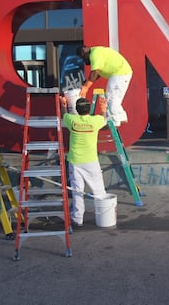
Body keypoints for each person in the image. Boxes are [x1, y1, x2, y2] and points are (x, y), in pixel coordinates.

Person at [60, 95, 108, 228]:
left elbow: (64, 115)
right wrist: (103, 108)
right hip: (91, 161)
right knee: (98, 190)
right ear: (89, 109)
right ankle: (104, 216)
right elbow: (104, 118)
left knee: (77, 191)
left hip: (75, 161)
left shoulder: (72, 120)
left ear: (76, 109)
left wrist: (63, 104)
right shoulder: (95, 121)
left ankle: (77, 218)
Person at [77, 45, 132, 127]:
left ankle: (115, 121)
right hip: (121, 73)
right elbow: (97, 74)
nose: (84, 61)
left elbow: (94, 73)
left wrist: (85, 87)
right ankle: (121, 116)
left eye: (83, 58)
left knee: (111, 97)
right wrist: (86, 82)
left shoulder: (94, 54)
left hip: (119, 73)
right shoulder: (97, 52)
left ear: (83, 53)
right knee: (113, 96)